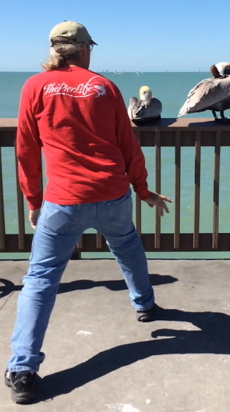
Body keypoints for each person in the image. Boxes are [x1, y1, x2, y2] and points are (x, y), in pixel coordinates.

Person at [4, 21, 172, 405]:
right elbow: (127, 143)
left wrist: (33, 201)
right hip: (112, 193)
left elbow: (26, 151)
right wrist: (142, 190)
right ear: (83, 50)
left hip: (63, 201)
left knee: (42, 278)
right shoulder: (104, 87)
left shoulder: (33, 87)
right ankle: (144, 304)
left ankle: (23, 369)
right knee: (127, 245)